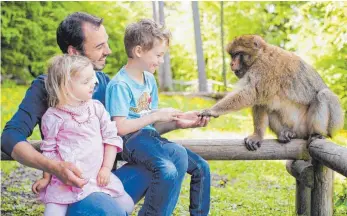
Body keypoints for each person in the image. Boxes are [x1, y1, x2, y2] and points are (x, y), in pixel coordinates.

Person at [1, 12, 209, 215]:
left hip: (103, 180)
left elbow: (128, 130)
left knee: (175, 155)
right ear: (74, 52)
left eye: (106, 43)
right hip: (77, 187)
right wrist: (54, 168)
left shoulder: (104, 84)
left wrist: (175, 122)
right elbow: (10, 137)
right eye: (100, 46)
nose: (108, 51)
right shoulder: (47, 87)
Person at [106, 18, 211, 216]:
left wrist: (181, 120)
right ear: (138, 51)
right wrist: (155, 115)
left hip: (150, 138)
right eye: (158, 55)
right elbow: (119, 128)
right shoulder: (120, 85)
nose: (161, 60)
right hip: (131, 140)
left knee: (201, 168)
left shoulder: (149, 79)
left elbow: (151, 123)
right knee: (167, 171)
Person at [31, 55, 134, 215]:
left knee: (127, 206)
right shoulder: (53, 117)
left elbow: (110, 139)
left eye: (92, 79)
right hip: (64, 182)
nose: (93, 84)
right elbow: (49, 151)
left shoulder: (96, 109)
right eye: (85, 81)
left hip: (97, 177)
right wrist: (46, 178)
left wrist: (106, 169)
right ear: (65, 87)